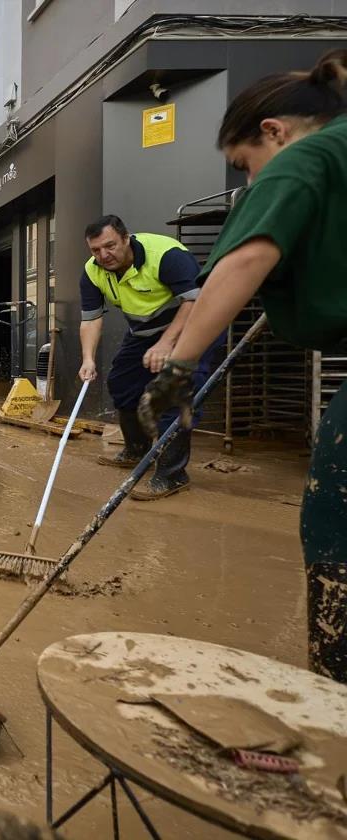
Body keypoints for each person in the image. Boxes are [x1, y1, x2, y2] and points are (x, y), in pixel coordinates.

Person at [140, 50, 347, 682]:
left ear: (273, 133)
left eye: (243, 166)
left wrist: (176, 371)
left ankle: (336, 700)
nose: (249, 180)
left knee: (334, 519)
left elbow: (242, 261)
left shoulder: (306, 157)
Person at [78, 215, 221, 500]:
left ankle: (172, 475)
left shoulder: (167, 255)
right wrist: (88, 359)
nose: (104, 255)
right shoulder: (92, 272)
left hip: (196, 325)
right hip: (145, 331)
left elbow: (194, 301)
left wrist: (168, 343)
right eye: (95, 250)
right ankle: (136, 450)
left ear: (126, 238)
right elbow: (91, 320)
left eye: (110, 246)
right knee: (121, 382)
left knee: (174, 391)